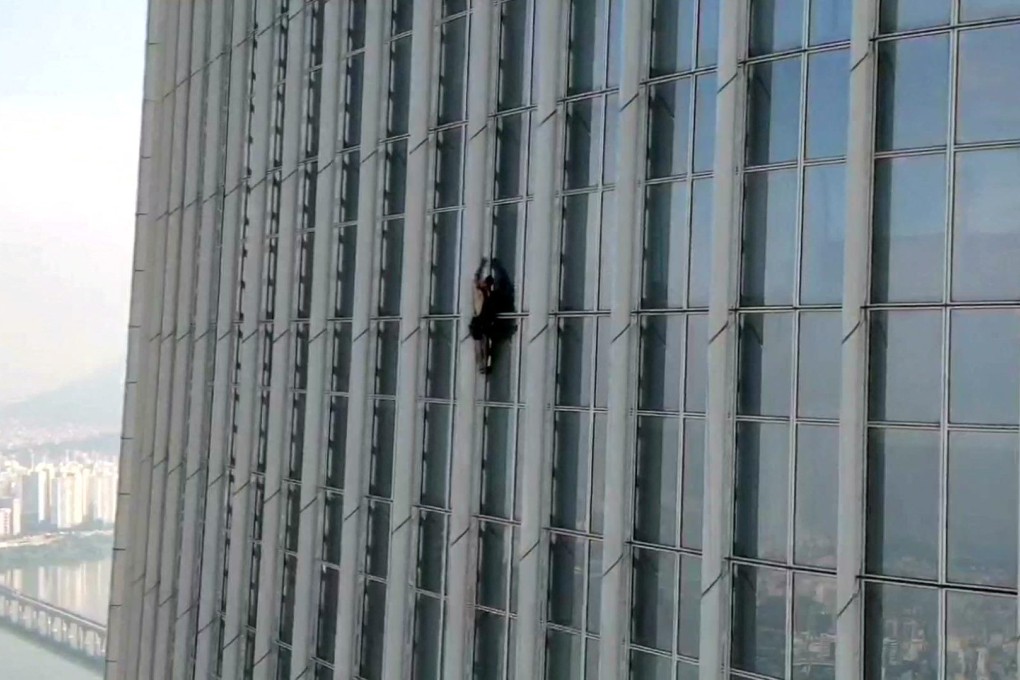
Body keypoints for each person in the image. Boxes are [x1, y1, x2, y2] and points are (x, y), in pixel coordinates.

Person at [469, 258, 516, 374]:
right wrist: (482, 266)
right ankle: (481, 364)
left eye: (489, 284)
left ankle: (484, 363)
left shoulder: (490, 294)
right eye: (487, 284)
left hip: (484, 320)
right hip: (480, 319)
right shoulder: (480, 291)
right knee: (480, 343)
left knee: (484, 342)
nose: (488, 286)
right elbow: (475, 280)